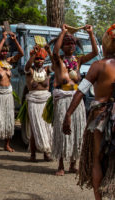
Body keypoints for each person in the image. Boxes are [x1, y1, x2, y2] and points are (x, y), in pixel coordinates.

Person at [63, 24, 115, 200]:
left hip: (100, 116)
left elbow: (81, 91)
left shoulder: (98, 66)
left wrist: (68, 114)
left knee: (97, 160)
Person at [51, 24, 98, 176]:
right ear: (63, 46)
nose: (70, 45)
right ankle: (60, 164)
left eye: (72, 43)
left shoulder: (78, 61)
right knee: (61, 130)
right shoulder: (58, 61)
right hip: (63, 99)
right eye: (67, 43)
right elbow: (55, 50)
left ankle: (73, 163)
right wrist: (63, 32)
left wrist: (91, 34)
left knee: (77, 130)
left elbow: (96, 52)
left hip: (76, 100)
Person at [0, 31, 24, 152]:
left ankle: (7, 144)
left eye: (5, 50)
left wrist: (14, 40)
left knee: (9, 118)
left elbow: (21, 53)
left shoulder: (8, 61)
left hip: (8, 93)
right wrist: (3, 39)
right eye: (2, 51)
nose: (4, 52)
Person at [24, 45, 53, 162]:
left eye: (41, 59)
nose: (39, 61)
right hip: (33, 101)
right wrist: (32, 56)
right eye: (37, 59)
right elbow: (26, 67)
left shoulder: (47, 70)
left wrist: (50, 52)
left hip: (45, 100)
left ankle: (46, 153)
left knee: (47, 127)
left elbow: (56, 65)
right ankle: (32, 154)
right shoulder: (30, 71)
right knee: (35, 127)